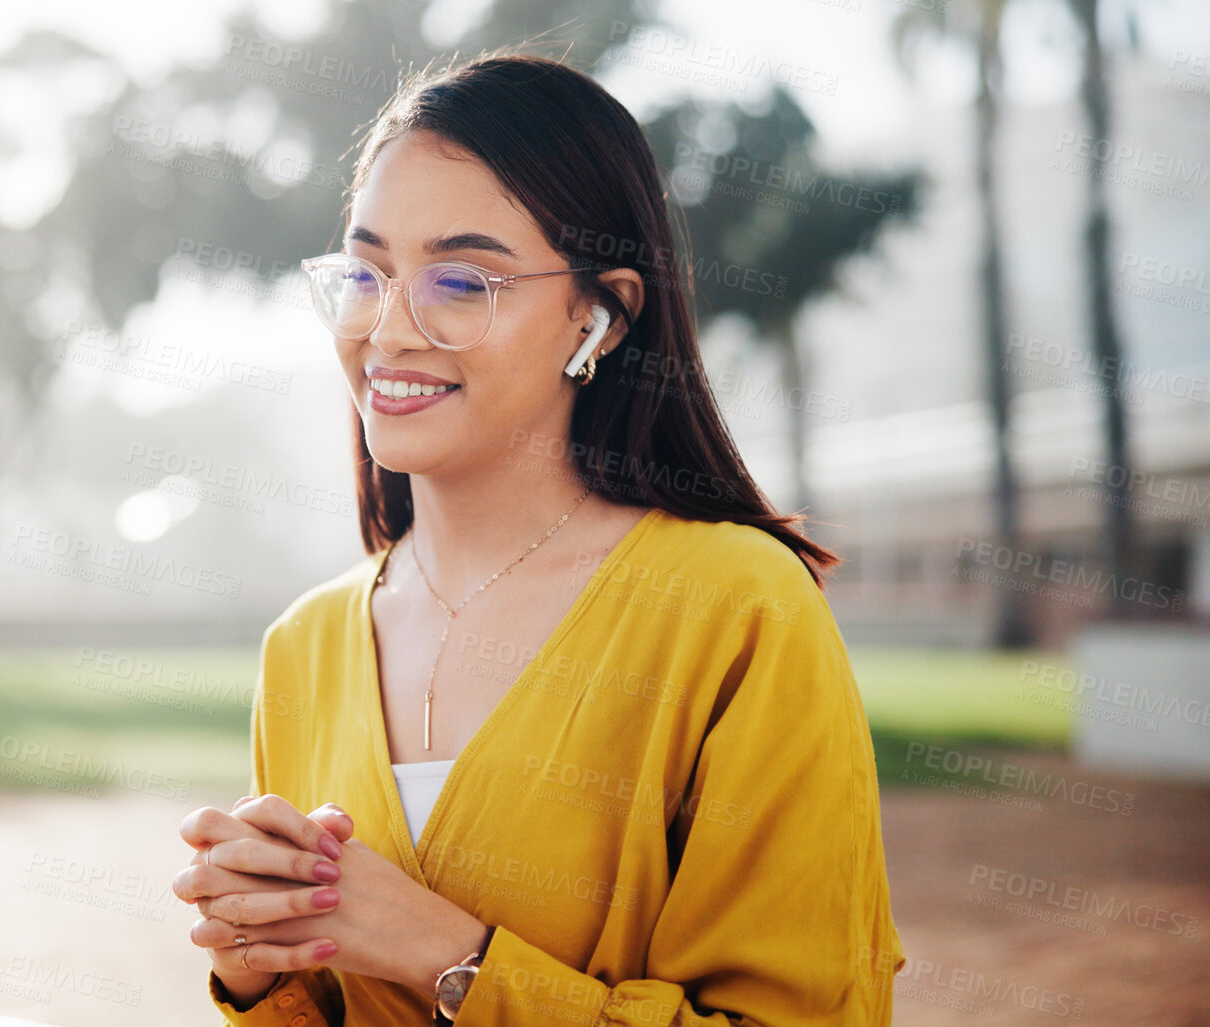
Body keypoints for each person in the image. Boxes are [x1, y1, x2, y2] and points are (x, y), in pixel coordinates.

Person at [171, 51, 904, 1026]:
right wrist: (264, 974)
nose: (387, 331)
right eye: (366, 271)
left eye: (462, 281)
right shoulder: (301, 646)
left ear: (598, 317)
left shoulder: (737, 610)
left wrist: (447, 955)